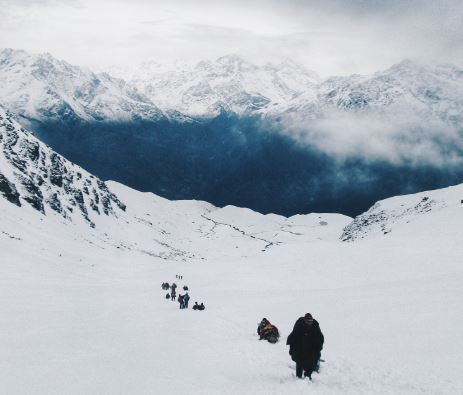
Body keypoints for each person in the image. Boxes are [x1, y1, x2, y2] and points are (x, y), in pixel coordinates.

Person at [286, 313, 324, 380]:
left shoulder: (315, 326)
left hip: (311, 349)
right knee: (299, 361)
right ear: (304, 320)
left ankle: (308, 377)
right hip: (300, 348)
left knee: (311, 363)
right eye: (308, 321)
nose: (309, 323)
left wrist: (318, 348)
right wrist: (292, 348)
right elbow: (293, 337)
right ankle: (298, 378)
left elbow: (320, 338)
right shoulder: (299, 325)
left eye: (311, 321)